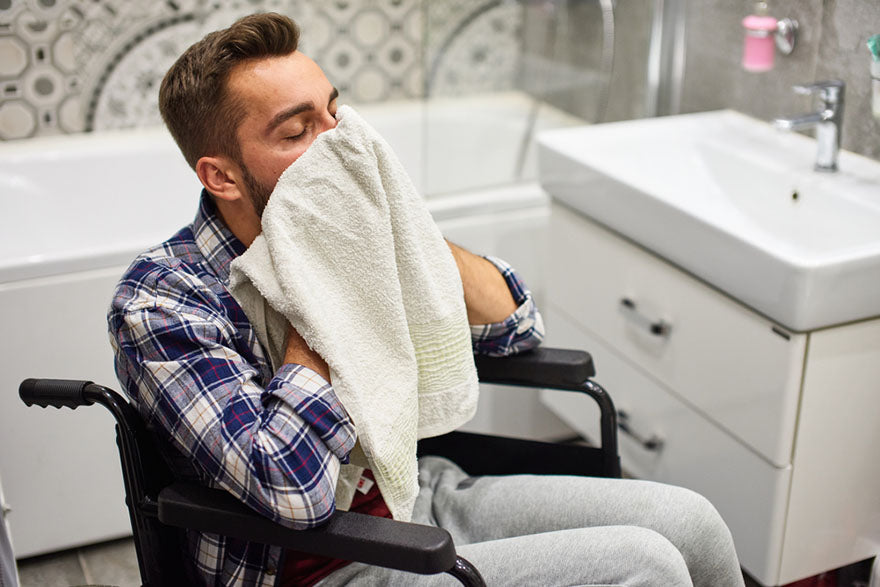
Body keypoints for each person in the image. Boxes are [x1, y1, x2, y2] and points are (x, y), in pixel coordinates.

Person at [108, 12, 746, 587]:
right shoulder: (165, 303)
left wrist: (396, 233)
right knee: (646, 563)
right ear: (221, 176)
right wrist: (323, 302)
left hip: (413, 495)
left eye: (337, 115)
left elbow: (514, 324)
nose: (341, 147)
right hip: (318, 563)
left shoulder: (359, 240)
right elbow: (288, 490)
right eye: (299, 132)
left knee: (690, 522)